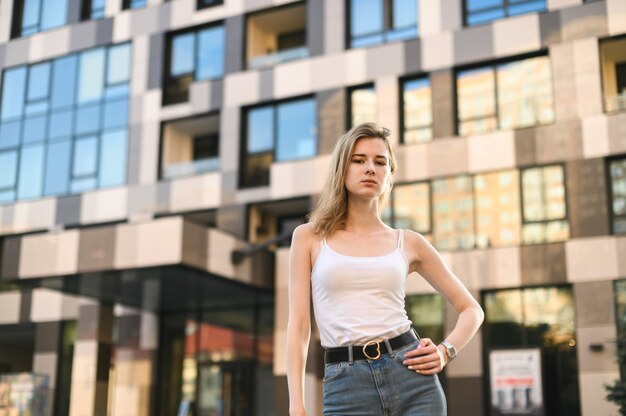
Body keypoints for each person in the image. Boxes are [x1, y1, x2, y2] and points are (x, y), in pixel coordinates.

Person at [286, 122, 484, 415]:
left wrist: (445, 351)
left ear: (389, 174)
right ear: (342, 169)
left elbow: (472, 310)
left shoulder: (408, 242)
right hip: (346, 383)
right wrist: (296, 404)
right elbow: (300, 326)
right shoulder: (309, 237)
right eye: (359, 160)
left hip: (412, 377)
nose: (370, 168)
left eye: (381, 162)